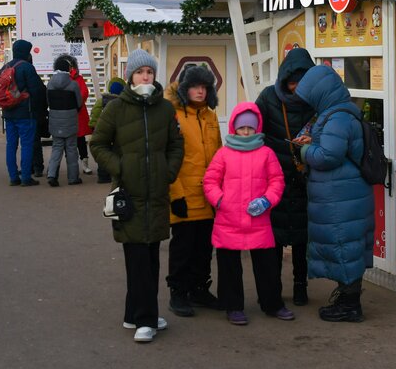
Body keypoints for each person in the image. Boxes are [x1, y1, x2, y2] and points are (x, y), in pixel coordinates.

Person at [90, 49, 184, 343]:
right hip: (129, 195)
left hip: (156, 192)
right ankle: (146, 319)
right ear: (130, 75)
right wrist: (121, 167)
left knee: (150, 256)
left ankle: (136, 314)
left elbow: (175, 145)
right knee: (137, 257)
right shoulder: (116, 109)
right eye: (140, 72)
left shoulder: (165, 109)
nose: (145, 76)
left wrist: (167, 171)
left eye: (150, 72)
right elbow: (99, 144)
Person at [292, 64, 374, 322]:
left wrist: (303, 151)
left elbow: (329, 155)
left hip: (342, 197)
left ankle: (350, 305)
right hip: (345, 194)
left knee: (344, 247)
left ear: (321, 93)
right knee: (346, 247)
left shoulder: (337, 118)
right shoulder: (340, 113)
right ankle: (347, 298)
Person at [203, 103, 291, 325]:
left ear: (257, 128)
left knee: (267, 266)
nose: (245, 132)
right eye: (242, 128)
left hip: (259, 220)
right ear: (234, 128)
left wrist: (267, 200)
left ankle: (272, 304)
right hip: (228, 219)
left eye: (250, 128)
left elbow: (277, 181)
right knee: (229, 267)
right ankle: (233, 306)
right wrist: (220, 200)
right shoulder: (223, 154)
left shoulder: (266, 153)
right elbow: (210, 181)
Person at [256, 47, 315, 306]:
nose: (296, 88)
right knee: (275, 239)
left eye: (301, 82)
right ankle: (274, 288)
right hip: (274, 181)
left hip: (304, 179)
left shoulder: (316, 101)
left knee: (302, 239)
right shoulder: (268, 98)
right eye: (292, 82)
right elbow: (255, 133)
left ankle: (301, 287)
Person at [165, 65, 222, 317]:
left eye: (204, 87)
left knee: (203, 247)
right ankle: (178, 292)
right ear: (185, 88)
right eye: (196, 86)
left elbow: (219, 156)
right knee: (182, 249)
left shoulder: (210, 116)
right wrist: (175, 195)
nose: (200, 91)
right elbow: (168, 157)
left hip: (209, 195)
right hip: (184, 194)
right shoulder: (172, 115)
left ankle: (199, 288)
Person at [1, 40, 46, 187]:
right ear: (26, 52)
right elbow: (37, 90)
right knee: (27, 145)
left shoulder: (6, 67)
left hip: (8, 113)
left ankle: (13, 177)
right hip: (26, 113)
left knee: (11, 145)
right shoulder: (27, 67)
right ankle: (26, 177)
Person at [45, 55, 84, 186]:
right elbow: (79, 103)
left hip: (55, 120)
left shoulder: (50, 84)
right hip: (71, 120)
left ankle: (51, 175)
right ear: (68, 69)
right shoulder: (73, 85)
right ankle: (73, 178)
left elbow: (48, 102)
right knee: (72, 149)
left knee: (56, 147)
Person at [90, 78, 125, 184]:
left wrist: (94, 126)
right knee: (115, 153)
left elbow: (94, 114)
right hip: (117, 132)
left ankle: (102, 176)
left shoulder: (101, 101)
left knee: (103, 152)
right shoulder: (122, 103)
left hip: (103, 131)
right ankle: (115, 172)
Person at [65, 56, 93, 174]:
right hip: (71, 113)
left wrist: (72, 103)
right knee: (70, 141)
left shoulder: (78, 79)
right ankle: (72, 166)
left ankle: (84, 163)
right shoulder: (68, 79)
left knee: (80, 140)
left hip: (78, 113)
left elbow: (84, 93)